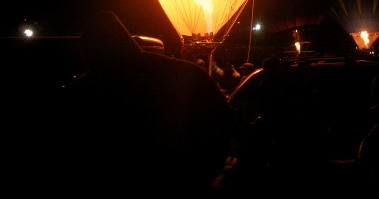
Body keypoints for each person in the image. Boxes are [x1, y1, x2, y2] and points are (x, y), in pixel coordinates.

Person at [40, 11, 235, 197]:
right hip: (187, 186)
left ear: (91, 54)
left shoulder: (84, 94)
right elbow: (221, 125)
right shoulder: (189, 74)